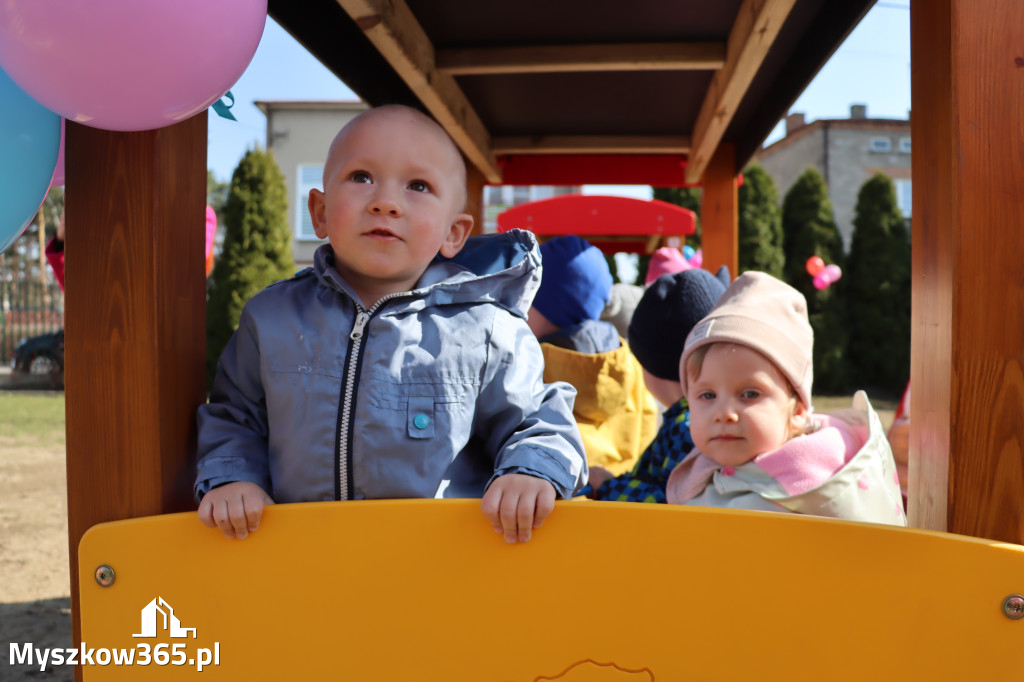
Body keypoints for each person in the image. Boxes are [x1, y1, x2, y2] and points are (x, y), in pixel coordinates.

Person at [195, 105, 588, 545]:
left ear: (453, 234)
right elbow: (234, 416)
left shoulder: (484, 330)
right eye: (362, 177)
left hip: (439, 568)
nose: (385, 202)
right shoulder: (270, 319)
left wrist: (528, 471)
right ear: (319, 212)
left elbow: (538, 419)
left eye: (418, 185)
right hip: (302, 562)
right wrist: (233, 478)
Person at [665, 272, 906, 526]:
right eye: (707, 395)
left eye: (749, 394)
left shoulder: (819, 479)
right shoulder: (703, 469)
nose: (724, 412)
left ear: (798, 411)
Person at [588, 267, 729, 501]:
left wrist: (605, 486)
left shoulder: (690, 428)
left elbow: (670, 500)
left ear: (651, 366)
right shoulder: (700, 419)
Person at [526, 235, 658, 479]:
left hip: (552, 503)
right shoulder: (630, 364)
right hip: (621, 500)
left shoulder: (529, 366)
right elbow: (648, 432)